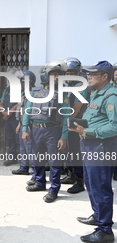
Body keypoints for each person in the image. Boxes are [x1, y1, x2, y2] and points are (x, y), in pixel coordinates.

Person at [70, 60, 117, 243]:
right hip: (89, 145)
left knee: (101, 186)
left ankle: (105, 230)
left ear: (104, 77)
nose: (88, 76)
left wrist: (87, 131)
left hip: (101, 146)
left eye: (92, 74)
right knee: (91, 183)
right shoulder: (97, 94)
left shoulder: (111, 96)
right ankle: (98, 216)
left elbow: (115, 126)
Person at [22, 60, 70, 203]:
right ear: (45, 76)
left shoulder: (63, 94)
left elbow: (67, 116)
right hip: (36, 129)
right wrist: (24, 129)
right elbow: (27, 112)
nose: (56, 78)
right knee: (37, 158)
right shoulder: (35, 92)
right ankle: (39, 182)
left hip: (53, 131)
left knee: (54, 162)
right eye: (53, 75)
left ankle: (54, 189)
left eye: (58, 75)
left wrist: (64, 136)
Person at [60, 57, 87, 194]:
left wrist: (64, 123)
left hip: (76, 125)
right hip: (68, 125)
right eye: (67, 73)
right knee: (69, 152)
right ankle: (71, 176)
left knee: (76, 153)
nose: (69, 75)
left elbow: (75, 110)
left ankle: (80, 181)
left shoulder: (80, 87)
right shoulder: (66, 87)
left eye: (72, 73)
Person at [12, 70, 36, 177]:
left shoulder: (32, 94)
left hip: (29, 126)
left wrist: (25, 127)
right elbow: (21, 111)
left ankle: (35, 171)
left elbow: (30, 112)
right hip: (23, 124)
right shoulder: (22, 94)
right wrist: (19, 124)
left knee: (30, 148)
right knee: (22, 148)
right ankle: (23, 167)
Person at [0, 69, 20, 166]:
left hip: (16, 118)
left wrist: (9, 113)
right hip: (7, 118)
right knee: (10, 138)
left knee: (18, 139)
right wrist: (3, 112)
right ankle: (13, 157)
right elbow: (1, 102)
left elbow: (20, 103)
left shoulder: (21, 89)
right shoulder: (7, 90)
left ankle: (23, 160)